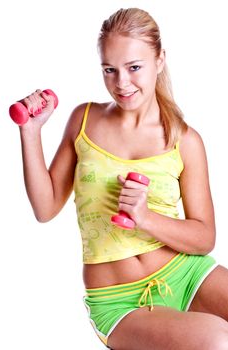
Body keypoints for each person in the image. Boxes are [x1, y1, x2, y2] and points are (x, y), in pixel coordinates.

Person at [17, 7, 228, 350]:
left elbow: (204, 238)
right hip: (118, 301)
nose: (121, 83)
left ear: (160, 60)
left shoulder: (185, 140)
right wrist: (31, 132)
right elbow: (45, 207)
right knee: (218, 341)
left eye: (134, 68)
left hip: (186, 275)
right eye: (110, 70)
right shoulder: (84, 120)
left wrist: (145, 219)